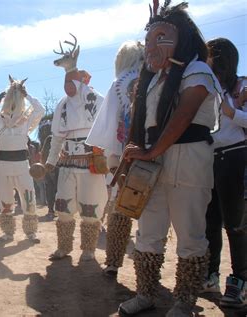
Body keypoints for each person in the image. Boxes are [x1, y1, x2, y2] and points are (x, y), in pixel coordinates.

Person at [117, 2, 222, 316]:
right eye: (149, 40)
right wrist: (138, 157)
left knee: (190, 234)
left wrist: (150, 152)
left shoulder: (197, 71)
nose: (151, 46)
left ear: (183, 39)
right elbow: (145, 125)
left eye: (161, 36)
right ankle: (146, 293)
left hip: (188, 160)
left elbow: (183, 116)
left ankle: (185, 300)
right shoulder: (154, 81)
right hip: (153, 164)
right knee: (148, 232)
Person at [45, 35, 107, 262]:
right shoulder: (62, 105)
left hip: (91, 160)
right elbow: (57, 137)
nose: (68, 88)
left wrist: (106, 157)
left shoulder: (95, 99)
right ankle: (64, 248)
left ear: (78, 82)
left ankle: (89, 250)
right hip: (68, 162)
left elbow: (107, 129)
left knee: (90, 208)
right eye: (65, 84)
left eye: (71, 83)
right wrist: (51, 162)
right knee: (63, 206)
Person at [85, 40, 144, 276]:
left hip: (124, 157)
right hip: (153, 154)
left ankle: (113, 262)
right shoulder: (156, 78)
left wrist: (112, 160)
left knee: (120, 210)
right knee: (152, 213)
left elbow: (108, 125)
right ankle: (146, 270)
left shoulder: (118, 83)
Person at [201, 37, 247, 309]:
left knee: (236, 223)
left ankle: (240, 282)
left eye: (209, 56)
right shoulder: (208, 88)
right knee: (210, 221)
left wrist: (231, 111)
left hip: (236, 157)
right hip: (211, 159)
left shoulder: (242, 85)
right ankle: (210, 276)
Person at [0, 76, 45, 244]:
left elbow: (40, 109)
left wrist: (27, 95)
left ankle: (30, 233)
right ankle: (8, 233)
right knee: (5, 201)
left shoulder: (26, 118)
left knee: (29, 198)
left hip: (22, 165)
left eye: (18, 97)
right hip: (3, 166)